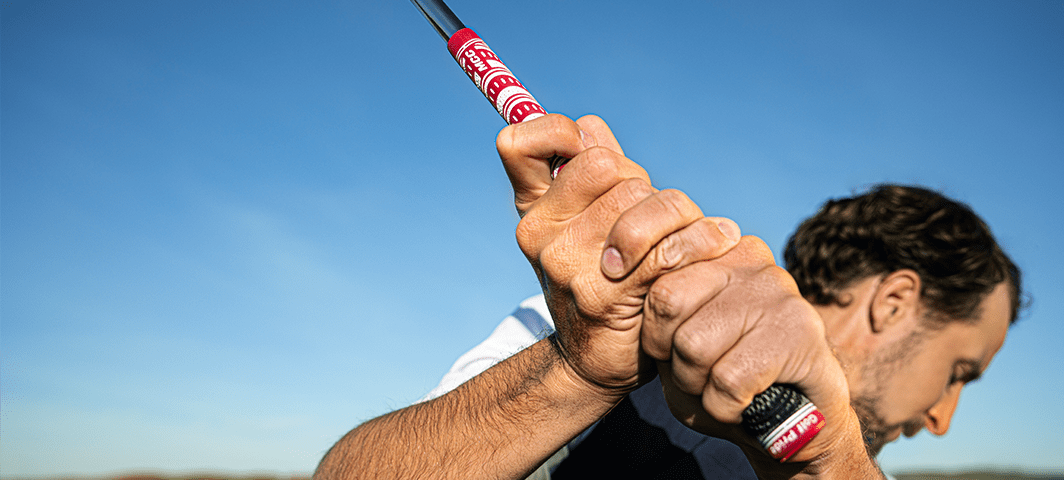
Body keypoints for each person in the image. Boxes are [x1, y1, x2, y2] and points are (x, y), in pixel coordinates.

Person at [313, 115, 1022, 480]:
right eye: (960, 371)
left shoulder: (854, 468)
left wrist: (827, 460)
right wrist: (581, 369)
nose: (942, 420)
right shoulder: (578, 326)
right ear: (894, 300)